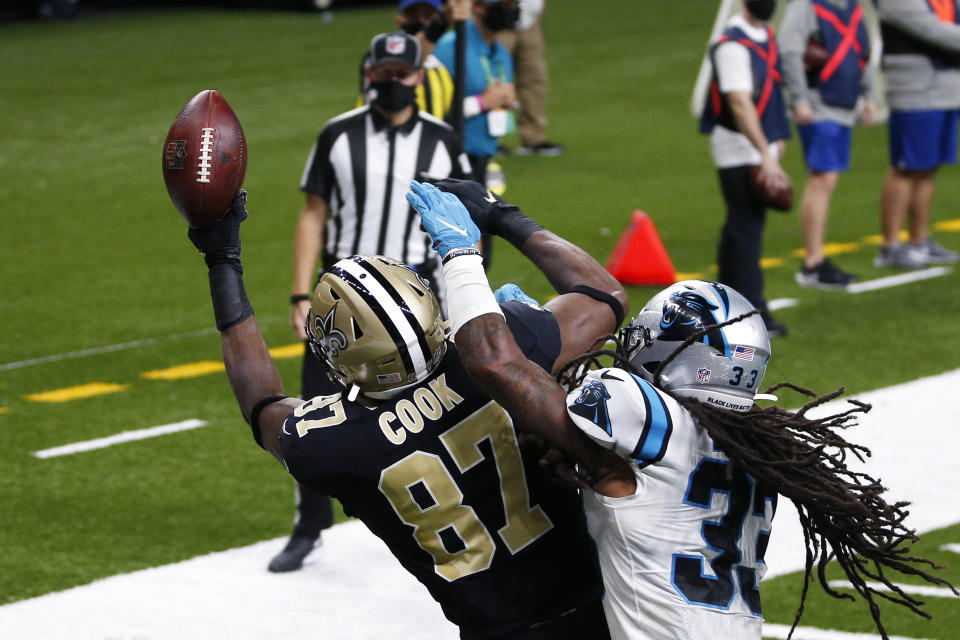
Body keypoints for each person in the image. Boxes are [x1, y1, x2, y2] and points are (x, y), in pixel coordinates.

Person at [406, 178, 957, 640]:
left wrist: (461, 258)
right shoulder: (755, 434)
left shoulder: (642, 413)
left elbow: (498, 365)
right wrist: (506, 219)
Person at [274, 31, 473, 573]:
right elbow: (312, 213)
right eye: (383, 73)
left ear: (417, 76)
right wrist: (298, 292)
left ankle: (446, 515)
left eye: (401, 74)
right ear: (370, 72)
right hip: (340, 303)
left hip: (418, 306)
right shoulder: (336, 134)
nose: (392, 83)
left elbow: (464, 224)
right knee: (313, 408)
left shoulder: (443, 141)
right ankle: (309, 525)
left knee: (432, 410)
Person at [699, 0, 792, 337]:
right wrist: (764, 153)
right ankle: (755, 311)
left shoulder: (765, 36)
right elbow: (739, 104)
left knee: (739, 225)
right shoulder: (734, 46)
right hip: (739, 148)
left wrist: (775, 141)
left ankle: (720, 299)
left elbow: (771, 94)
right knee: (748, 226)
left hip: (757, 146)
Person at [779, 0, 875, 289]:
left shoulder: (852, 7)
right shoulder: (805, 6)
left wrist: (868, 95)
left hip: (842, 107)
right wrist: (800, 99)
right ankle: (813, 262)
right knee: (822, 179)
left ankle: (816, 259)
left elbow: (862, 52)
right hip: (819, 106)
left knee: (826, 180)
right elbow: (791, 51)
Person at [874, 0, 960, 269]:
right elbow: (931, 30)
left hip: (947, 89)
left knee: (928, 167)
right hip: (914, 92)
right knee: (906, 167)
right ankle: (889, 246)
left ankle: (919, 240)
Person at [435, 0, 517, 265]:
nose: (512, 8)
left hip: (483, 158)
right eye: (506, 4)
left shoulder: (501, 52)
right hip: (453, 161)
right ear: (479, 7)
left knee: (483, 252)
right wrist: (482, 103)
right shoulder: (450, 48)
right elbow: (436, 110)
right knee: (461, 251)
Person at [355, 0, 465, 121]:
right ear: (399, 21)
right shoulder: (379, 59)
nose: (421, 20)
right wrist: (442, 21)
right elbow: (411, 55)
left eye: (428, 15)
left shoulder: (442, 65)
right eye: (413, 15)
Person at [496, 0, 564, 156]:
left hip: (531, 20)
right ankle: (493, 140)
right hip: (500, 17)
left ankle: (533, 138)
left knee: (534, 79)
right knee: (495, 79)